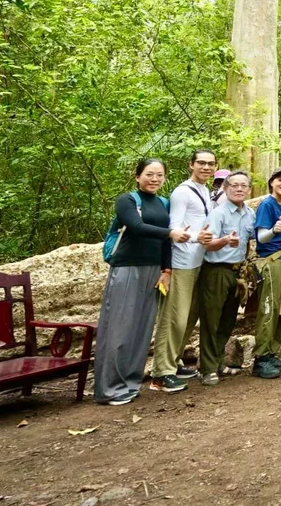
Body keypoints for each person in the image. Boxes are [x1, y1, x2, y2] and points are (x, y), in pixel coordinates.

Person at [94, 158, 186, 405]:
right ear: (138, 176)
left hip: (153, 270)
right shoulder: (127, 200)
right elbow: (134, 226)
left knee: (143, 328)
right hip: (127, 268)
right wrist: (170, 232)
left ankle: (131, 383)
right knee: (120, 328)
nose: (154, 179)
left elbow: (166, 242)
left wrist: (166, 269)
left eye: (159, 175)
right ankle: (110, 389)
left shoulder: (164, 203)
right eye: (149, 174)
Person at [149, 149, 216, 394]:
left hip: (198, 262)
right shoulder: (181, 192)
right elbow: (174, 229)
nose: (206, 167)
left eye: (210, 164)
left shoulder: (206, 192)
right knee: (173, 318)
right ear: (191, 165)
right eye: (201, 163)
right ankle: (161, 373)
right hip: (180, 263)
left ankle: (174, 361)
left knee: (188, 317)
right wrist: (196, 237)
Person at [199, 171, 255, 386]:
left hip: (237, 272)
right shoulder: (218, 214)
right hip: (216, 270)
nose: (239, 189)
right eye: (234, 185)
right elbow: (206, 243)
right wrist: (223, 241)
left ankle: (218, 362)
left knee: (228, 319)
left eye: (243, 186)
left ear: (248, 189)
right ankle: (207, 369)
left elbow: (249, 240)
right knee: (211, 320)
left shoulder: (249, 213)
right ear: (225, 188)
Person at [252, 166, 281, 379]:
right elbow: (261, 238)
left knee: (280, 308)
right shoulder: (267, 205)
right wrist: (274, 231)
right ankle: (260, 358)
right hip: (269, 262)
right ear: (272, 182)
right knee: (268, 308)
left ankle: (271, 352)